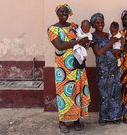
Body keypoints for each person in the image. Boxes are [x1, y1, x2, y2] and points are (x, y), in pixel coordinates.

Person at [47, 4, 90, 133]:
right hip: (63, 68)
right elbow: (59, 46)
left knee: (78, 91)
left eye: (66, 11)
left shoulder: (73, 27)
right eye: (61, 11)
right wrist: (77, 42)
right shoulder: (52, 29)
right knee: (64, 93)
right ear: (57, 13)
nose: (64, 13)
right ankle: (63, 121)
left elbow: (82, 36)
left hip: (77, 65)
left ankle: (77, 119)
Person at [90, 13, 122, 125]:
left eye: (102, 22)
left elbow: (117, 45)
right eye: (97, 23)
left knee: (115, 91)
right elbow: (98, 52)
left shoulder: (108, 34)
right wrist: (110, 42)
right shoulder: (92, 37)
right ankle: (103, 117)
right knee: (104, 93)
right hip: (103, 69)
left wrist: (119, 51)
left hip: (114, 67)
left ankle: (116, 116)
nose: (100, 24)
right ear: (93, 24)